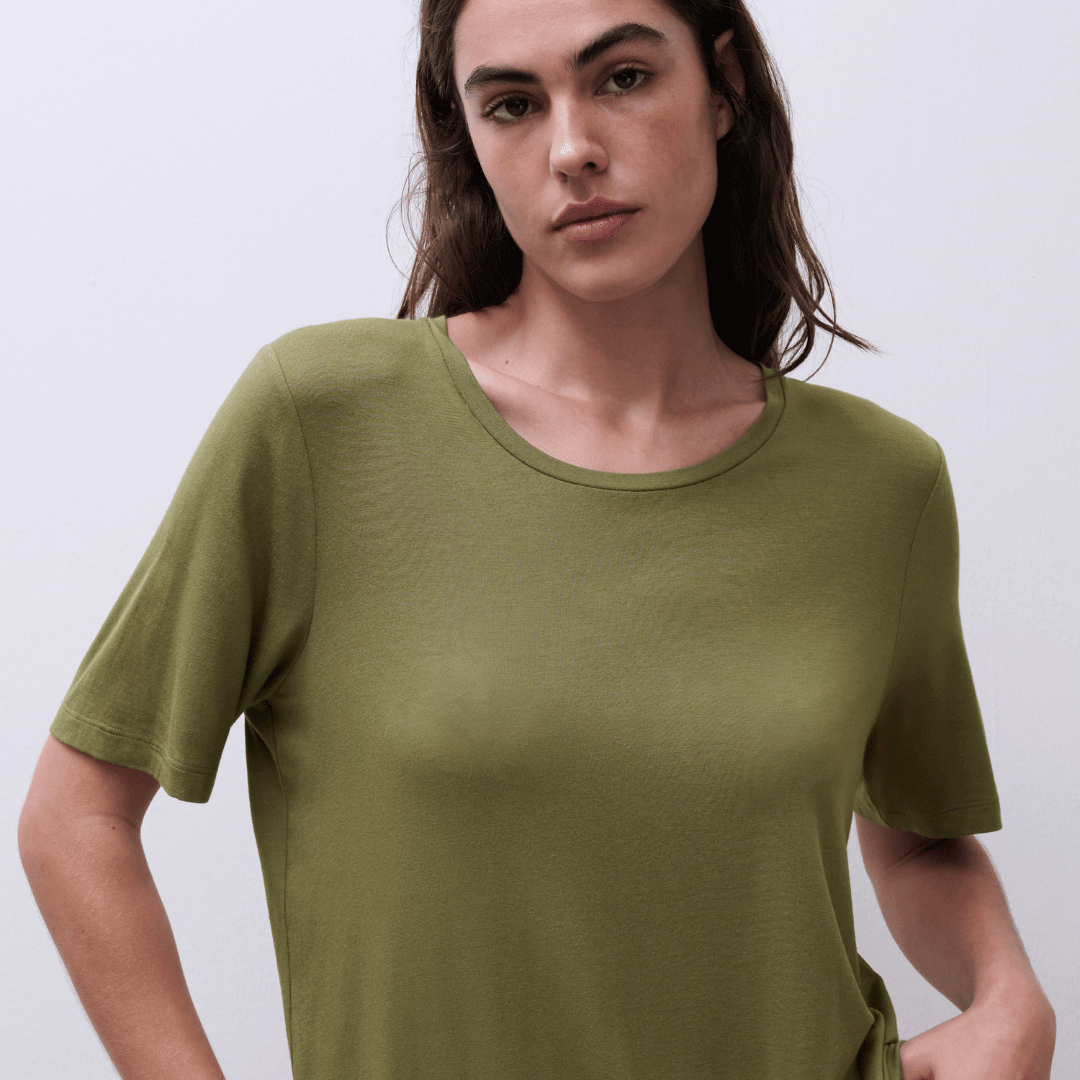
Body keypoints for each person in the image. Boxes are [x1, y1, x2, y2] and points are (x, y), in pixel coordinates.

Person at [17, 0, 1056, 1078]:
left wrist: (1009, 994)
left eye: (623, 78)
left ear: (726, 88)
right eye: (513, 104)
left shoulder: (882, 487)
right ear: (467, 137)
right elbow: (75, 816)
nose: (572, 150)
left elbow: (917, 836)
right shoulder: (322, 424)